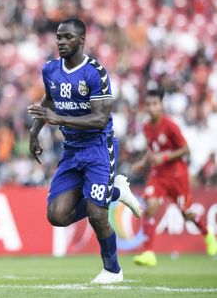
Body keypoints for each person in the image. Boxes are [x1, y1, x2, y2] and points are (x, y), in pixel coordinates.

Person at [27, 18, 141, 284]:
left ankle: (112, 270)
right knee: (56, 215)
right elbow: (50, 99)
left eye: (67, 37)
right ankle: (116, 191)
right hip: (72, 151)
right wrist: (34, 131)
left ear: (81, 40)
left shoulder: (95, 72)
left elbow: (101, 118)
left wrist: (59, 120)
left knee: (97, 214)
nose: (61, 42)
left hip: (99, 149)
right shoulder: (50, 70)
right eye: (58, 37)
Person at [131, 88, 217, 266]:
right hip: (158, 175)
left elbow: (186, 149)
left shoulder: (170, 125)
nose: (151, 107)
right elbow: (152, 150)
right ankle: (148, 252)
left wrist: (164, 157)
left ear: (161, 105)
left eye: (154, 104)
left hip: (177, 176)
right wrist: (143, 162)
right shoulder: (146, 127)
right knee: (151, 204)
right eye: (148, 104)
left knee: (186, 214)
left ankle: (207, 233)